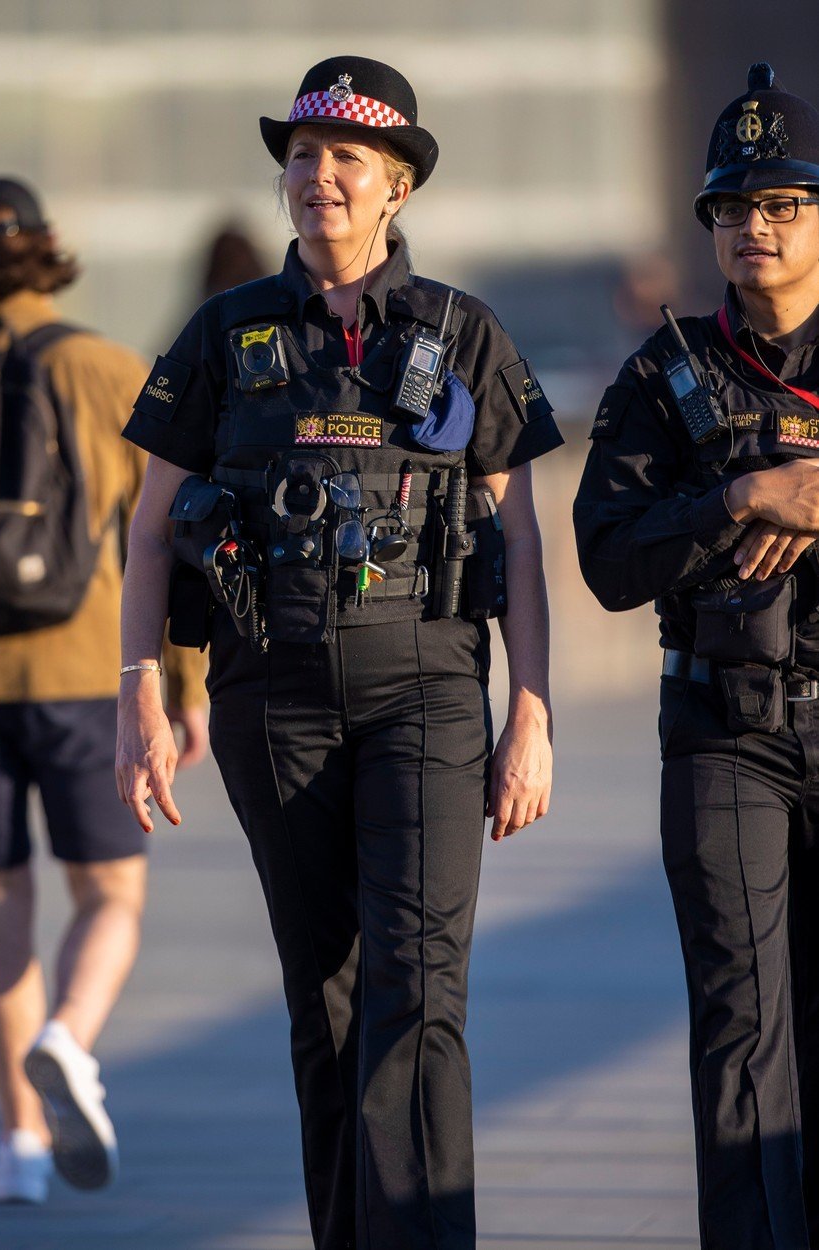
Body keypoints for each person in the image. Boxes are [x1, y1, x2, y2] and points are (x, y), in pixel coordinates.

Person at [117, 55, 562, 1250]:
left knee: (415, 990)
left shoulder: (462, 333)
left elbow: (515, 531)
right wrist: (140, 695)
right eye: (301, 156)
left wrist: (532, 709)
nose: (316, 176)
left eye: (343, 158)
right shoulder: (225, 333)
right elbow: (149, 525)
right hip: (275, 698)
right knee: (323, 1000)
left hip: (427, 686)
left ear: (395, 186)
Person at [0, 175, 208, 1204]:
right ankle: (69, 1040)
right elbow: (170, 531)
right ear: (46, 247)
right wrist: (186, 680)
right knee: (110, 891)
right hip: (84, 669)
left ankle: (16, 1146)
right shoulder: (105, 367)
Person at [574, 62, 819, 1250]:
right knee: (739, 1021)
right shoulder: (660, 379)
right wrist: (741, 493)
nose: (753, 228)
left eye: (779, 203)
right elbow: (606, 559)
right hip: (723, 729)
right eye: (731, 208)